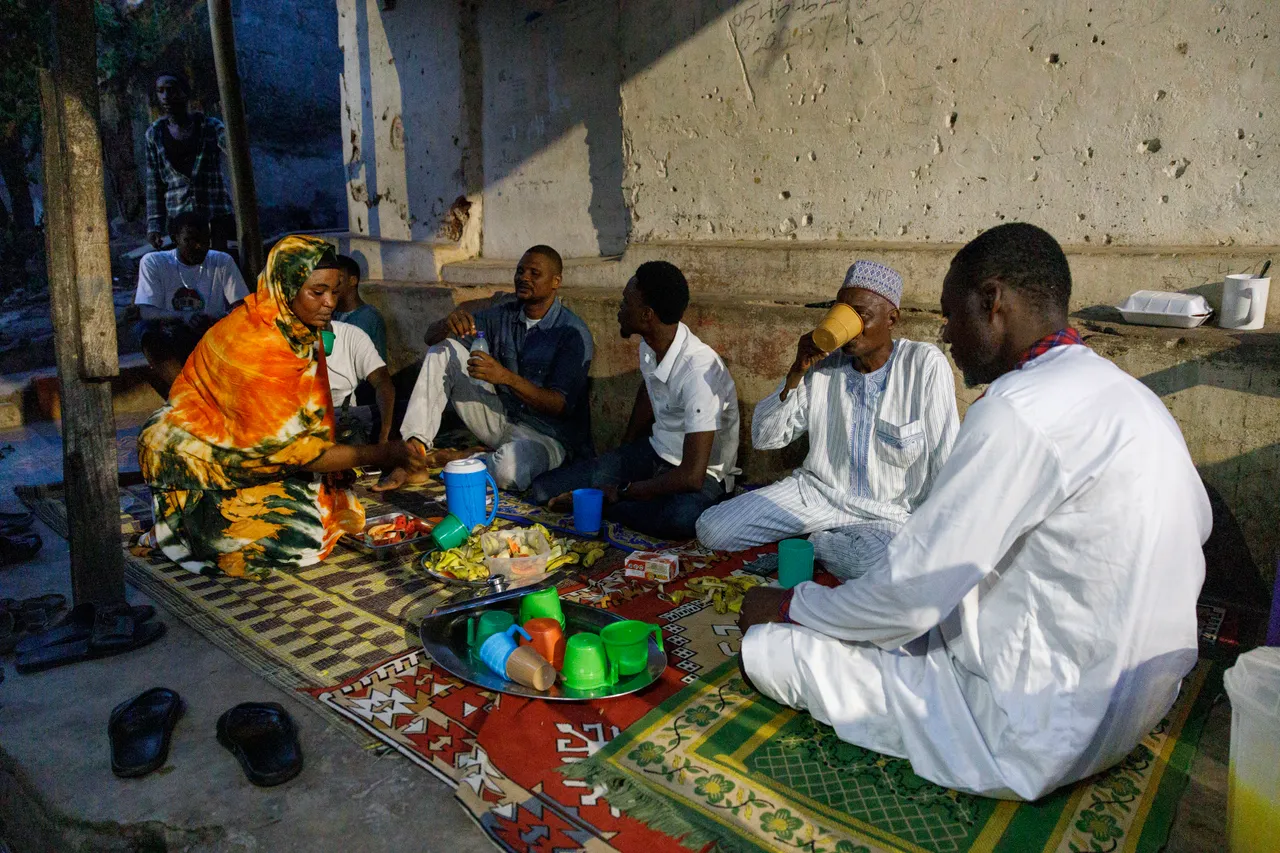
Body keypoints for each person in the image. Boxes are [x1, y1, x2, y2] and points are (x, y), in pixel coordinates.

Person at [736, 223, 1210, 801]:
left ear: (991, 303)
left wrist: (793, 604)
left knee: (769, 651)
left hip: (1032, 730)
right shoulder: (1133, 397)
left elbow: (911, 597)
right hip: (1139, 703)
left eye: (950, 315)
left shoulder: (1015, 409)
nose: (948, 334)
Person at [138, 235, 427, 580]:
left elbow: (308, 417)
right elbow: (296, 452)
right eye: (317, 292)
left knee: (335, 503)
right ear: (286, 286)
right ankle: (181, 523)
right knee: (302, 539)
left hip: (253, 446)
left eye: (334, 292)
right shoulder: (256, 344)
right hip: (197, 453)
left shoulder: (296, 330)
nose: (329, 302)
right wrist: (382, 453)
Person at [696, 261, 958, 578]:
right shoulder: (824, 365)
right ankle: (829, 541)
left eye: (861, 314)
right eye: (842, 310)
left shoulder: (925, 365)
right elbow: (766, 438)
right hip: (817, 495)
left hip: (888, 514)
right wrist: (796, 372)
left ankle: (817, 543)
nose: (849, 324)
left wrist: (937, 534)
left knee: (868, 565)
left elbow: (947, 459)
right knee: (712, 529)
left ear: (892, 319)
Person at [531, 261, 740, 540]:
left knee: (681, 520)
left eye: (625, 302)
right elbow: (648, 390)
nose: (619, 309)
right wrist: (622, 456)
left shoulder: (698, 372)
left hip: (702, 476)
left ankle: (612, 507)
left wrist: (620, 491)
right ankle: (625, 502)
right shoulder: (650, 345)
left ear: (646, 315)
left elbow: (692, 476)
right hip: (655, 452)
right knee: (543, 490)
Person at [376, 245, 593, 492]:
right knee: (444, 348)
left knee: (508, 471)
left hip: (547, 437)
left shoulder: (572, 332)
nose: (523, 278)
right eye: (520, 271)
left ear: (556, 282)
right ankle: (414, 454)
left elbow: (560, 405)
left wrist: (506, 378)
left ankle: (461, 460)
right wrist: (447, 323)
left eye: (534, 273)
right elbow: (430, 338)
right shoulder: (503, 315)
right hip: (503, 419)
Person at [134, 212, 249, 398]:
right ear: (175, 239)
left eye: (206, 240)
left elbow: (242, 307)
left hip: (211, 334)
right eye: (190, 240)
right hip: (172, 332)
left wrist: (217, 318)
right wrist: (184, 317)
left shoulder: (221, 261)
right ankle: (187, 394)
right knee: (146, 331)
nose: (200, 246)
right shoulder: (154, 262)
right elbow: (146, 311)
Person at [145, 73, 235, 252]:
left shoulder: (210, 127)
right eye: (160, 91)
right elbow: (154, 184)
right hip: (180, 215)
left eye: (171, 90)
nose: (165, 97)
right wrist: (154, 225)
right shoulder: (154, 134)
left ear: (184, 92)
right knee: (188, 268)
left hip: (213, 211)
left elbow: (232, 148)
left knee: (217, 265)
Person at [325, 319, 394, 445]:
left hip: (343, 416)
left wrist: (384, 434)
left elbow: (382, 381)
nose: (327, 303)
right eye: (317, 297)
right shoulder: (280, 339)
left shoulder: (351, 336)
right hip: (296, 418)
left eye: (333, 297)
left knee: (406, 412)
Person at [334, 254, 387, 360]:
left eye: (338, 280)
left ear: (353, 281)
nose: (332, 284)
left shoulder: (368, 317)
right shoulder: (331, 313)